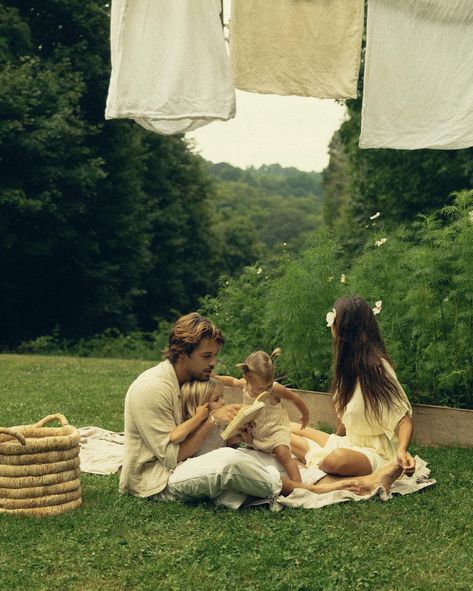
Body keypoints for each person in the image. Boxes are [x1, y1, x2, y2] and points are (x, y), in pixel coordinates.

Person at [120, 311, 406, 507]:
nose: (213, 364)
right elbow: (171, 459)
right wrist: (211, 421)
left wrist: (232, 434)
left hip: (186, 462)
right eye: (207, 356)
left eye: (215, 356)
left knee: (266, 457)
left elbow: (190, 440)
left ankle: (356, 480)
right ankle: (318, 490)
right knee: (231, 465)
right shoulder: (152, 389)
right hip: (158, 480)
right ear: (181, 353)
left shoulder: (188, 381)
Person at [291, 295, 416, 485]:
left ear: (343, 328)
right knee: (284, 429)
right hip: (352, 443)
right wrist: (334, 439)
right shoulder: (348, 364)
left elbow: (404, 419)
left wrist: (402, 451)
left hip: (378, 453)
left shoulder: (376, 367)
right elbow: (348, 416)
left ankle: (316, 465)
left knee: (335, 459)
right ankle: (318, 463)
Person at [213, 349, 309, 482]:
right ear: (247, 378)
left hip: (276, 429)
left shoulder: (274, 389)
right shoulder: (245, 385)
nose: (266, 390)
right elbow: (232, 381)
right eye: (260, 388)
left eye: (268, 385)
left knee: (282, 453)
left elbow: (295, 398)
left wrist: (305, 414)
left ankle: (298, 484)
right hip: (257, 429)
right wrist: (216, 377)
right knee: (242, 446)